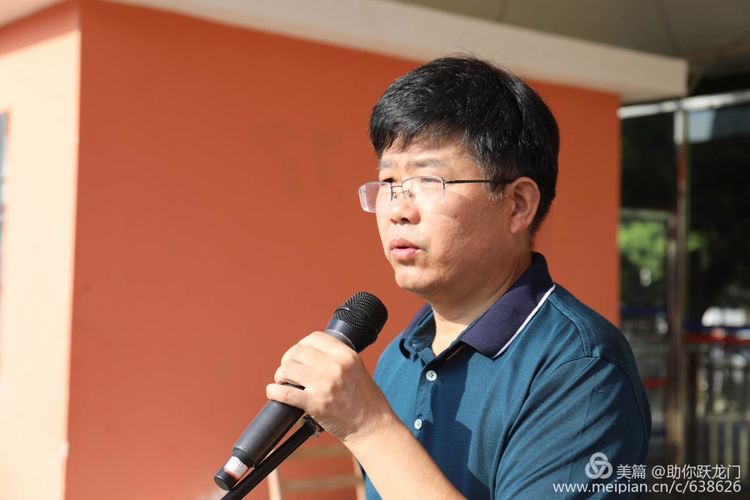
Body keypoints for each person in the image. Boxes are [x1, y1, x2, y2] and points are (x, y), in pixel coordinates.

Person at [266, 56, 651, 499]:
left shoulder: (580, 369)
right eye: (388, 182)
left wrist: (370, 427)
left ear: (518, 205)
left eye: (428, 181)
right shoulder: (399, 357)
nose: (398, 210)